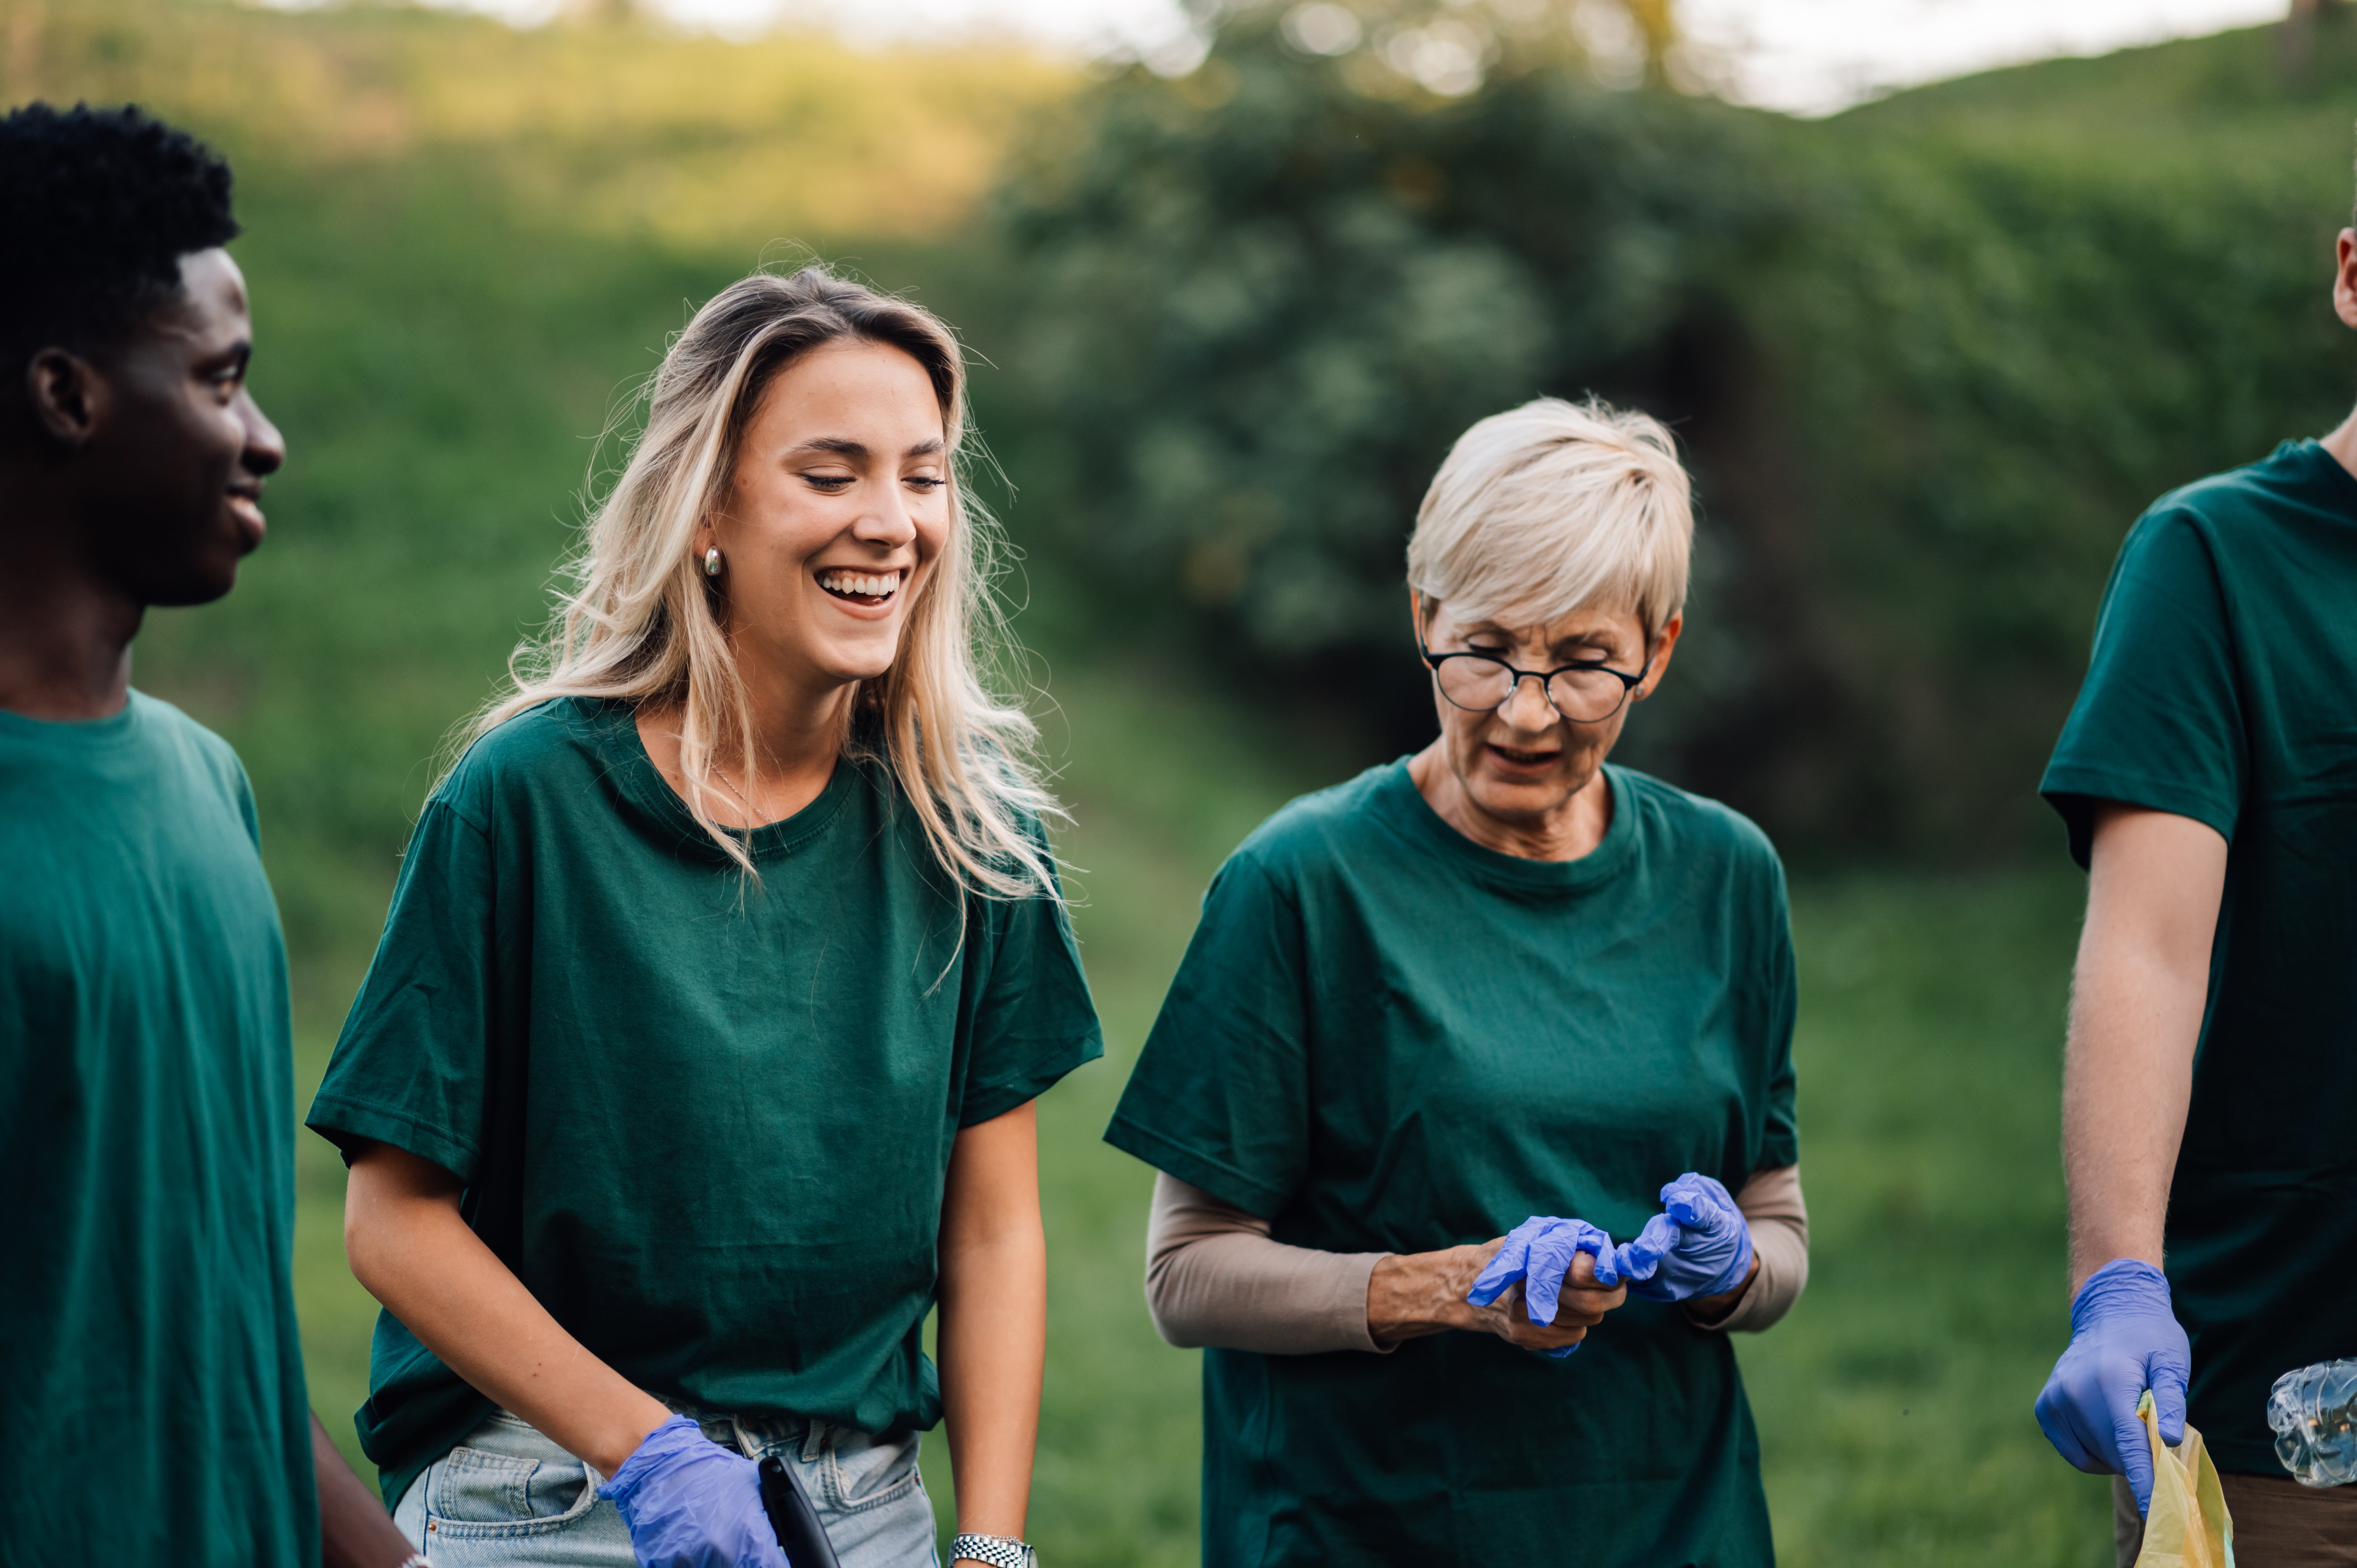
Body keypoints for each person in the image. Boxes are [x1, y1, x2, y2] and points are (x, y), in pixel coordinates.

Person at [307, 265, 1102, 1568]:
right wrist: (649, 1451)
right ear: (709, 510)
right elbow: (391, 1221)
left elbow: (995, 1227)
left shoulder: (976, 827)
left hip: (865, 1515)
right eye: (832, 473)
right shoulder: (527, 801)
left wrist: (993, 1547)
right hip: (551, 1495)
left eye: (923, 473)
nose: (892, 523)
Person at [1103, 397, 1809, 1566]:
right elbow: (1187, 1274)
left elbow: (1778, 1223)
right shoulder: (1302, 884)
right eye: (1485, 652)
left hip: (1676, 1529)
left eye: (1585, 663)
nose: (1526, 712)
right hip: (1369, 1532)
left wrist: (1734, 1271)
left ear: (1659, 649)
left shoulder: (1726, 876)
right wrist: (1445, 1290)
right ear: (1424, 616)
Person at [0, 103, 423, 1568]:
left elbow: (214, 1341)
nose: (266, 438)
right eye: (220, 381)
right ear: (67, 396)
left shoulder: (204, 786)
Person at [2032, 203, 2357, 1567]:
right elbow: (2149, 955)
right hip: (2287, 1404)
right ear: (2354, 273)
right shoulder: (2216, 561)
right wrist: (2119, 1281)